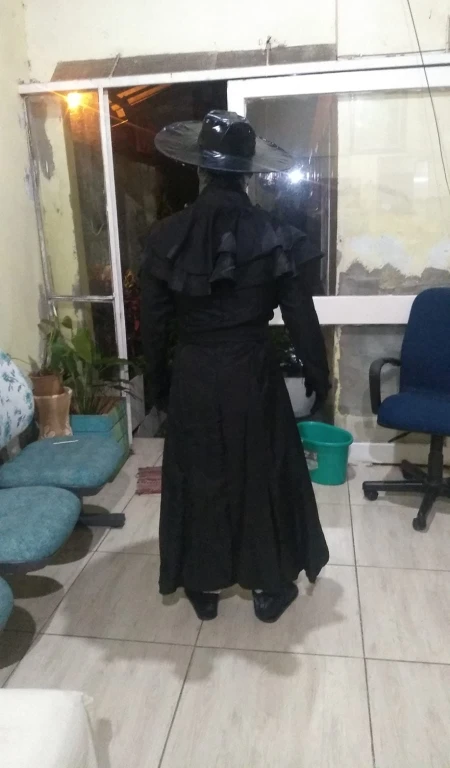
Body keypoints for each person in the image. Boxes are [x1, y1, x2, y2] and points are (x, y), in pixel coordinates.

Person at [140, 111, 330, 623]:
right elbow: (301, 316)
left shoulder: (166, 236)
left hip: (195, 376)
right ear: (247, 172)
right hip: (253, 374)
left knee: (199, 473)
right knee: (261, 472)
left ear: (201, 169)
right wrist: (319, 376)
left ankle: (203, 587)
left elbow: (154, 325)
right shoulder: (275, 234)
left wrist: (158, 386)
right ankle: (268, 589)